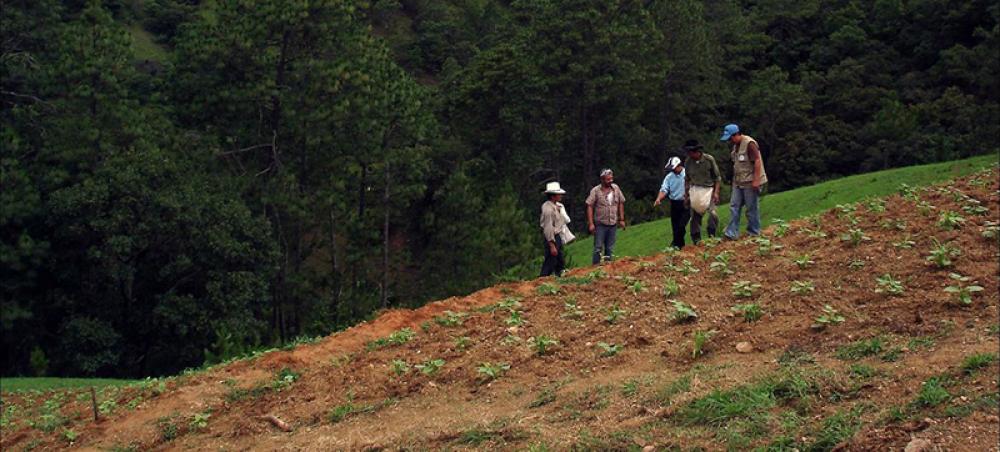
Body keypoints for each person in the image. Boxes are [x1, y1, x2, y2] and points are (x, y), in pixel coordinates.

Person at [720, 124, 768, 239]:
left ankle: (754, 232)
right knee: (734, 206)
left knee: (751, 208)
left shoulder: (749, 144)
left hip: (750, 181)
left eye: (730, 138)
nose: (729, 141)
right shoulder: (735, 146)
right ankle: (731, 233)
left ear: (736, 134)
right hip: (738, 181)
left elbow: (757, 161)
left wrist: (756, 180)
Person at [682, 139, 721, 245]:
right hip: (695, 190)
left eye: (690, 152)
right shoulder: (688, 162)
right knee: (695, 217)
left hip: (708, 190)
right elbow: (687, 179)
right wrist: (686, 195)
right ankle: (696, 239)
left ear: (696, 151)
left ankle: (712, 235)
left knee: (713, 214)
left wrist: (716, 193)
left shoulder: (709, 160)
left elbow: (717, 178)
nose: (689, 154)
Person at [586, 169, 626, 264]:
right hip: (600, 224)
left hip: (613, 223)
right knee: (598, 247)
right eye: (608, 179)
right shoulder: (595, 191)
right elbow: (589, 205)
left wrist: (622, 219)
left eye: (611, 178)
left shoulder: (616, 188)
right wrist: (591, 223)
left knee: (610, 248)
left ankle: (608, 267)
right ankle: (595, 267)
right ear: (602, 179)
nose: (610, 181)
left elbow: (621, 202)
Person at [653, 157, 689, 249]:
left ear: (679, 165)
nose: (672, 170)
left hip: (686, 203)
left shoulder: (687, 173)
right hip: (675, 204)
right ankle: (679, 247)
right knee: (675, 227)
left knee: (681, 226)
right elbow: (664, 189)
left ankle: (675, 244)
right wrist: (658, 199)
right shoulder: (669, 177)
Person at [539, 181, 568, 277]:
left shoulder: (556, 206)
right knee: (551, 260)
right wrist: (552, 244)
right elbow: (548, 228)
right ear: (553, 196)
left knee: (559, 259)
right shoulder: (548, 209)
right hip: (552, 237)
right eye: (558, 194)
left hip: (557, 236)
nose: (561, 196)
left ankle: (560, 274)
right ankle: (543, 278)